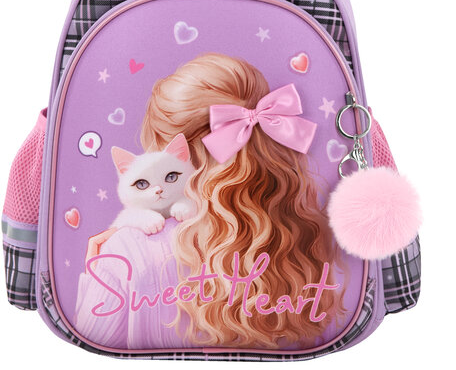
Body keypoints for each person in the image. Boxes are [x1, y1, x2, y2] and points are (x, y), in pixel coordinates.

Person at [78, 53, 344, 350]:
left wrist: (98, 273)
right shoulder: (307, 239)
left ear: (179, 155)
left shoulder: (127, 248)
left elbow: (92, 344)